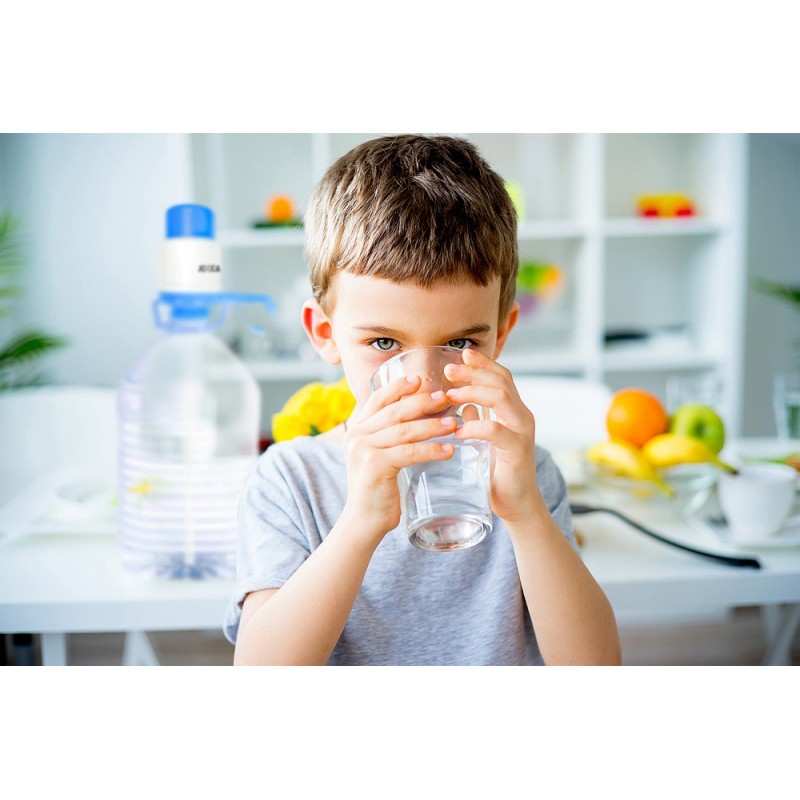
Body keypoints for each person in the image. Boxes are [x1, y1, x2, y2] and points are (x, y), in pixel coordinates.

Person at [224, 134, 620, 666]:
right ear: (324, 333)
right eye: (384, 344)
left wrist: (526, 513)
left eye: (459, 343)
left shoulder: (524, 475)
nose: (427, 386)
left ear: (500, 336)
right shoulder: (290, 483)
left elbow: (594, 668)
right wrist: (361, 519)